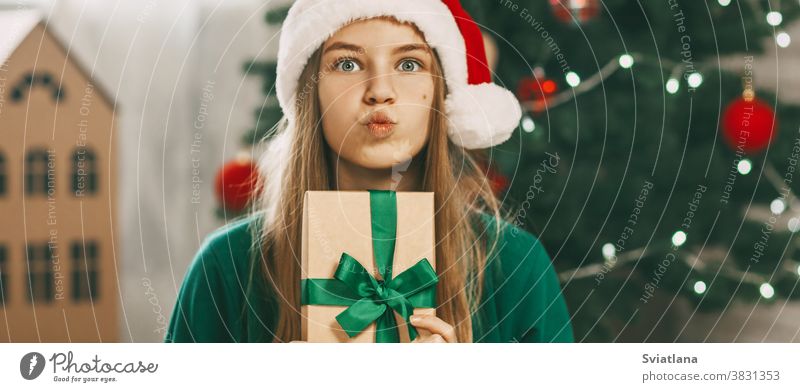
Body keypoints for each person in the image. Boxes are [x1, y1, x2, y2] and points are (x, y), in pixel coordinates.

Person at [165, 0, 573, 343]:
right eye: (346, 64)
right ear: (310, 91)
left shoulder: (515, 265)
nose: (380, 89)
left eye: (409, 64)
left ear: (443, 91)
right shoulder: (227, 266)